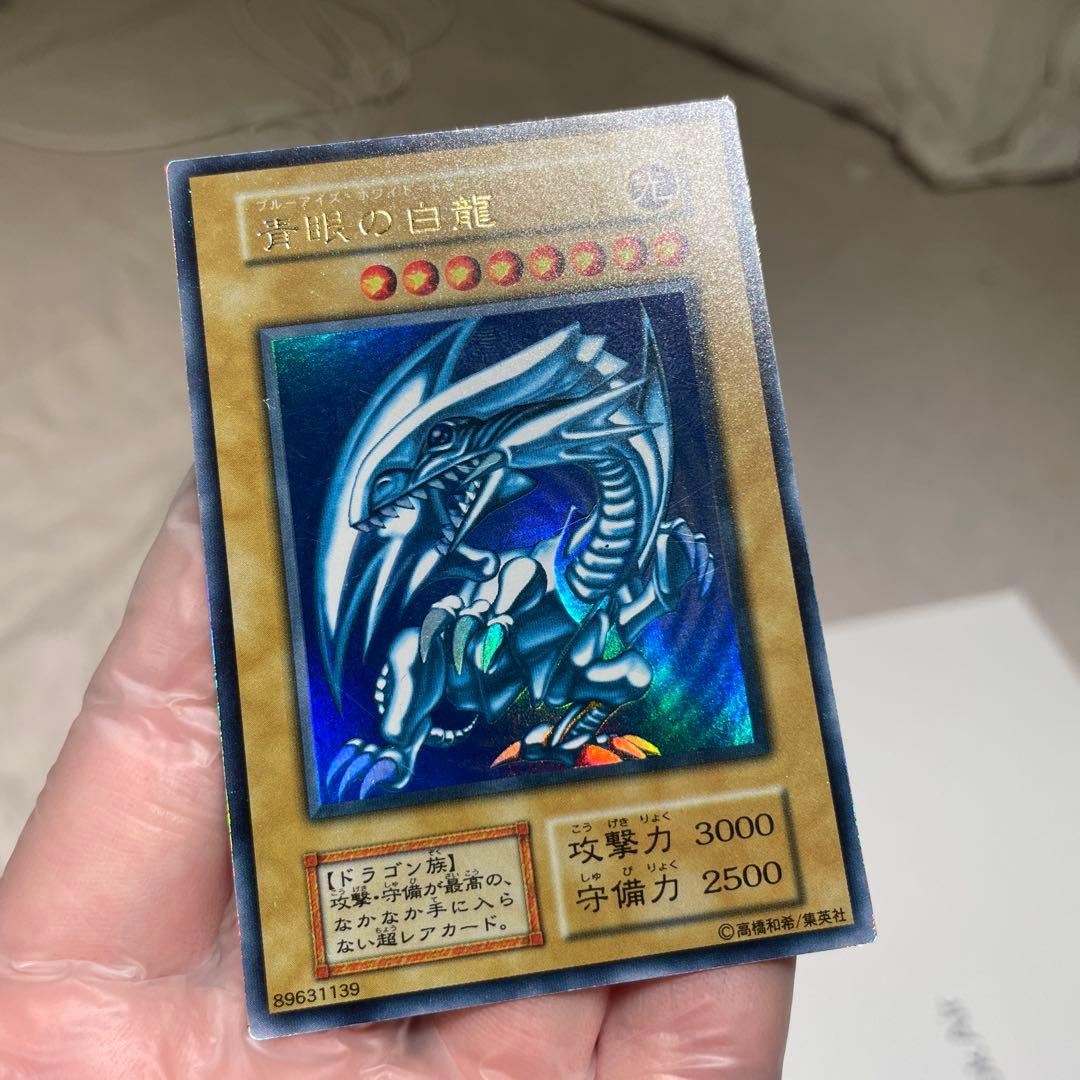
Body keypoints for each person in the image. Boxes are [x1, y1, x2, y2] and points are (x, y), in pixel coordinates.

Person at [0, 477, 793, 1077]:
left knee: (620, 675)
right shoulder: (520, 584)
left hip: (520, 705)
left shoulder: (605, 632)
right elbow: (484, 610)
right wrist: (475, 628)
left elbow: (605, 660)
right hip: (455, 678)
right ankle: (406, 744)